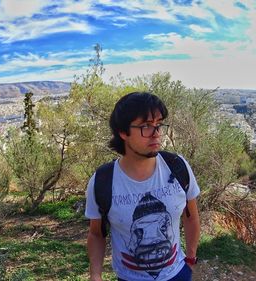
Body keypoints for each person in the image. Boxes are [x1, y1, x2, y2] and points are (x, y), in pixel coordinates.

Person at [85, 92, 201, 281]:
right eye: (146, 126)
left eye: (158, 124)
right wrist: (95, 275)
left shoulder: (177, 167)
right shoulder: (103, 181)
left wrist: (190, 259)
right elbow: (96, 234)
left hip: (177, 274)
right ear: (123, 132)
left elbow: (192, 217)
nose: (156, 133)